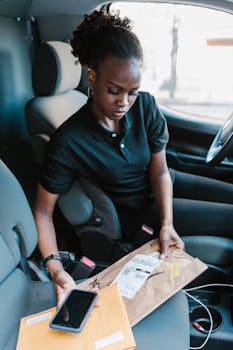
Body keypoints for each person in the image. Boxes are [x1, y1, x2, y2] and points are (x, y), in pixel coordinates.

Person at [34, 9, 233, 306]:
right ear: (92, 76)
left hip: (163, 186)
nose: (124, 102)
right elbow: (43, 211)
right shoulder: (69, 140)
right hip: (140, 212)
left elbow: (160, 172)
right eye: (114, 91)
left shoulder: (146, 106)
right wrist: (55, 267)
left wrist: (169, 223)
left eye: (133, 92)